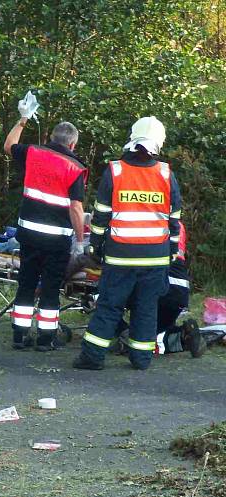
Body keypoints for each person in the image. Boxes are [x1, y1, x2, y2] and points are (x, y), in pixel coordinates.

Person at [74, 116, 182, 371]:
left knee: (110, 305)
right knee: (146, 308)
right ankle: (141, 359)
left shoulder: (115, 171)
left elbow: (101, 216)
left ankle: (92, 357)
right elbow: (174, 219)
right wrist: (172, 250)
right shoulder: (166, 174)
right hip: (155, 257)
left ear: (133, 139)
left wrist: (96, 247)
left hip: (120, 256)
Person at [3, 92, 88, 351]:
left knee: (26, 283)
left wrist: (23, 119)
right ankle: (45, 339)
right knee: (50, 288)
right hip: (56, 241)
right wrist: (81, 240)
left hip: (28, 234)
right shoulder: (75, 167)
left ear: (52, 137)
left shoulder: (33, 153)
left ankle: (19, 336)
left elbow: (8, 146)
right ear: (72, 144)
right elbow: (75, 207)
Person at [113, 222, 205, 357]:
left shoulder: (145, 222)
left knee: (110, 303)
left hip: (156, 279)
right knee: (154, 332)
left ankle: (126, 336)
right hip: (179, 290)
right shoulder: (178, 224)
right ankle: (184, 335)